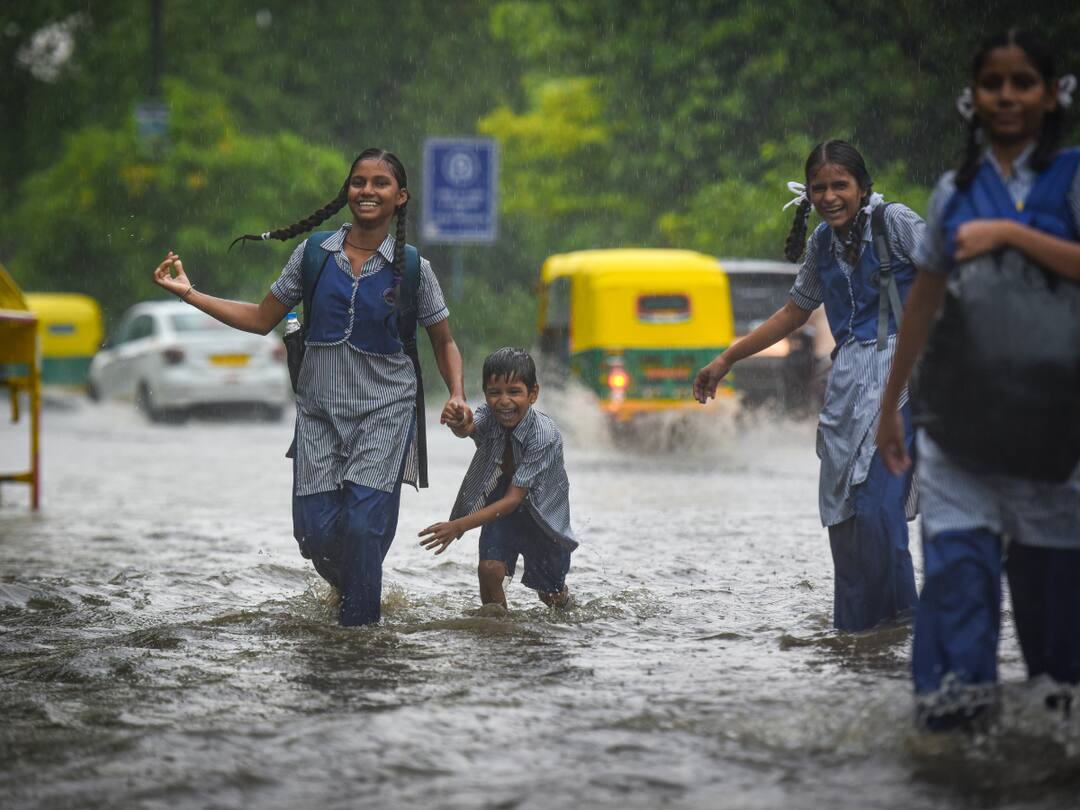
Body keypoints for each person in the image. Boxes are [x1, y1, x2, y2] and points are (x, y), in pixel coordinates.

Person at [152, 148, 468, 627]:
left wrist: (458, 393)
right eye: (358, 182)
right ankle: (358, 589)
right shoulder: (312, 255)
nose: (367, 191)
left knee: (364, 526)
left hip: (387, 410)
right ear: (347, 192)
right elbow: (260, 319)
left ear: (400, 198)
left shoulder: (413, 267)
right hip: (319, 412)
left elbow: (444, 342)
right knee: (315, 535)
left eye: (380, 183)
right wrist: (190, 293)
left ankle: (358, 637)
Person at [876, 29, 1080, 728]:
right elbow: (924, 302)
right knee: (958, 580)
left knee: (1056, 615)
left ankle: (1050, 737)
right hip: (959, 424)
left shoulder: (1075, 175)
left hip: (1059, 433)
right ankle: (954, 743)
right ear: (975, 98)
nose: (1008, 97)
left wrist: (1012, 236)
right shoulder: (953, 190)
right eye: (995, 84)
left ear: (1052, 94)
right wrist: (890, 405)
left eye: (1024, 82)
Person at [694, 140, 926, 633]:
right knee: (844, 523)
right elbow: (794, 312)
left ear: (863, 188)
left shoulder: (897, 222)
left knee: (881, 516)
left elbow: (948, 272)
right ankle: (857, 641)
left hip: (903, 381)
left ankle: (907, 635)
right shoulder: (822, 243)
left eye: (840, 185)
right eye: (819, 187)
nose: (829, 196)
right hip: (845, 388)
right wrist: (727, 359)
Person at [419, 348, 576, 610]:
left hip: (544, 516)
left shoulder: (544, 436)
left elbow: (514, 499)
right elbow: (469, 426)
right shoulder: (490, 416)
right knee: (489, 570)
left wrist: (458, 526)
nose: (504, 401)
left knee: (551, 596)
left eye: (514, 392)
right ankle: (498, 633)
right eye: (495, 393)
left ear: (533, 394)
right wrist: (459, 418)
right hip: (502, 507)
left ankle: (564, 602)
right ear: (486, 394)